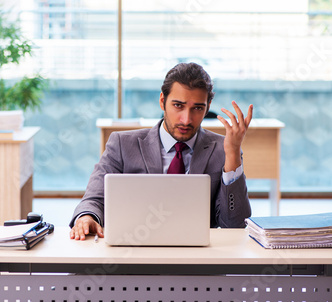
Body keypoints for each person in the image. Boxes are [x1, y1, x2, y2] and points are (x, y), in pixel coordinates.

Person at [69, 62, 253, 240]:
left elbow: (235, 224)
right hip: (135, 250)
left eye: (197, 108)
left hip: (197, 256)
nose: (186, 119)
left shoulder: (224, 150)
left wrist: (233, 155)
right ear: (162, 101)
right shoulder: (122, 144)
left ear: (208, 107)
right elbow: (93, 199)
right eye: (178, 106)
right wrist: (87, 217)